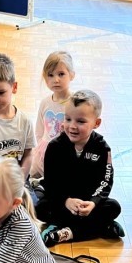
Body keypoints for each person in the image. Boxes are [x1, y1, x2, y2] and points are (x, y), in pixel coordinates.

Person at [36, 90, 124, 245]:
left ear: (96, 123)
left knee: (113, 207)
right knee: (41, 208)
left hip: (87, 203)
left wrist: (93, 202)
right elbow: (51, 182)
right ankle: (101, 227)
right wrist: (66, 201)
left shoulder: (102, 148)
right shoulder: (55, 147)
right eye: (68, 119)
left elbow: (105, 180)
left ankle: (65, 232)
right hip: (63, 202)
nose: (72, 126)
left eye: (81, 121)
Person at [30, 50, 76, 180]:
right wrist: (42, 148)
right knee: (34, 179)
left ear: (72, 75)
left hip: (65, 156)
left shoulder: (76, 103)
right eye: (50, 75)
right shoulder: (45, 103)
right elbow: (39, 130)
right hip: (43, 154)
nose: (56, 80)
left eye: (61, 74)